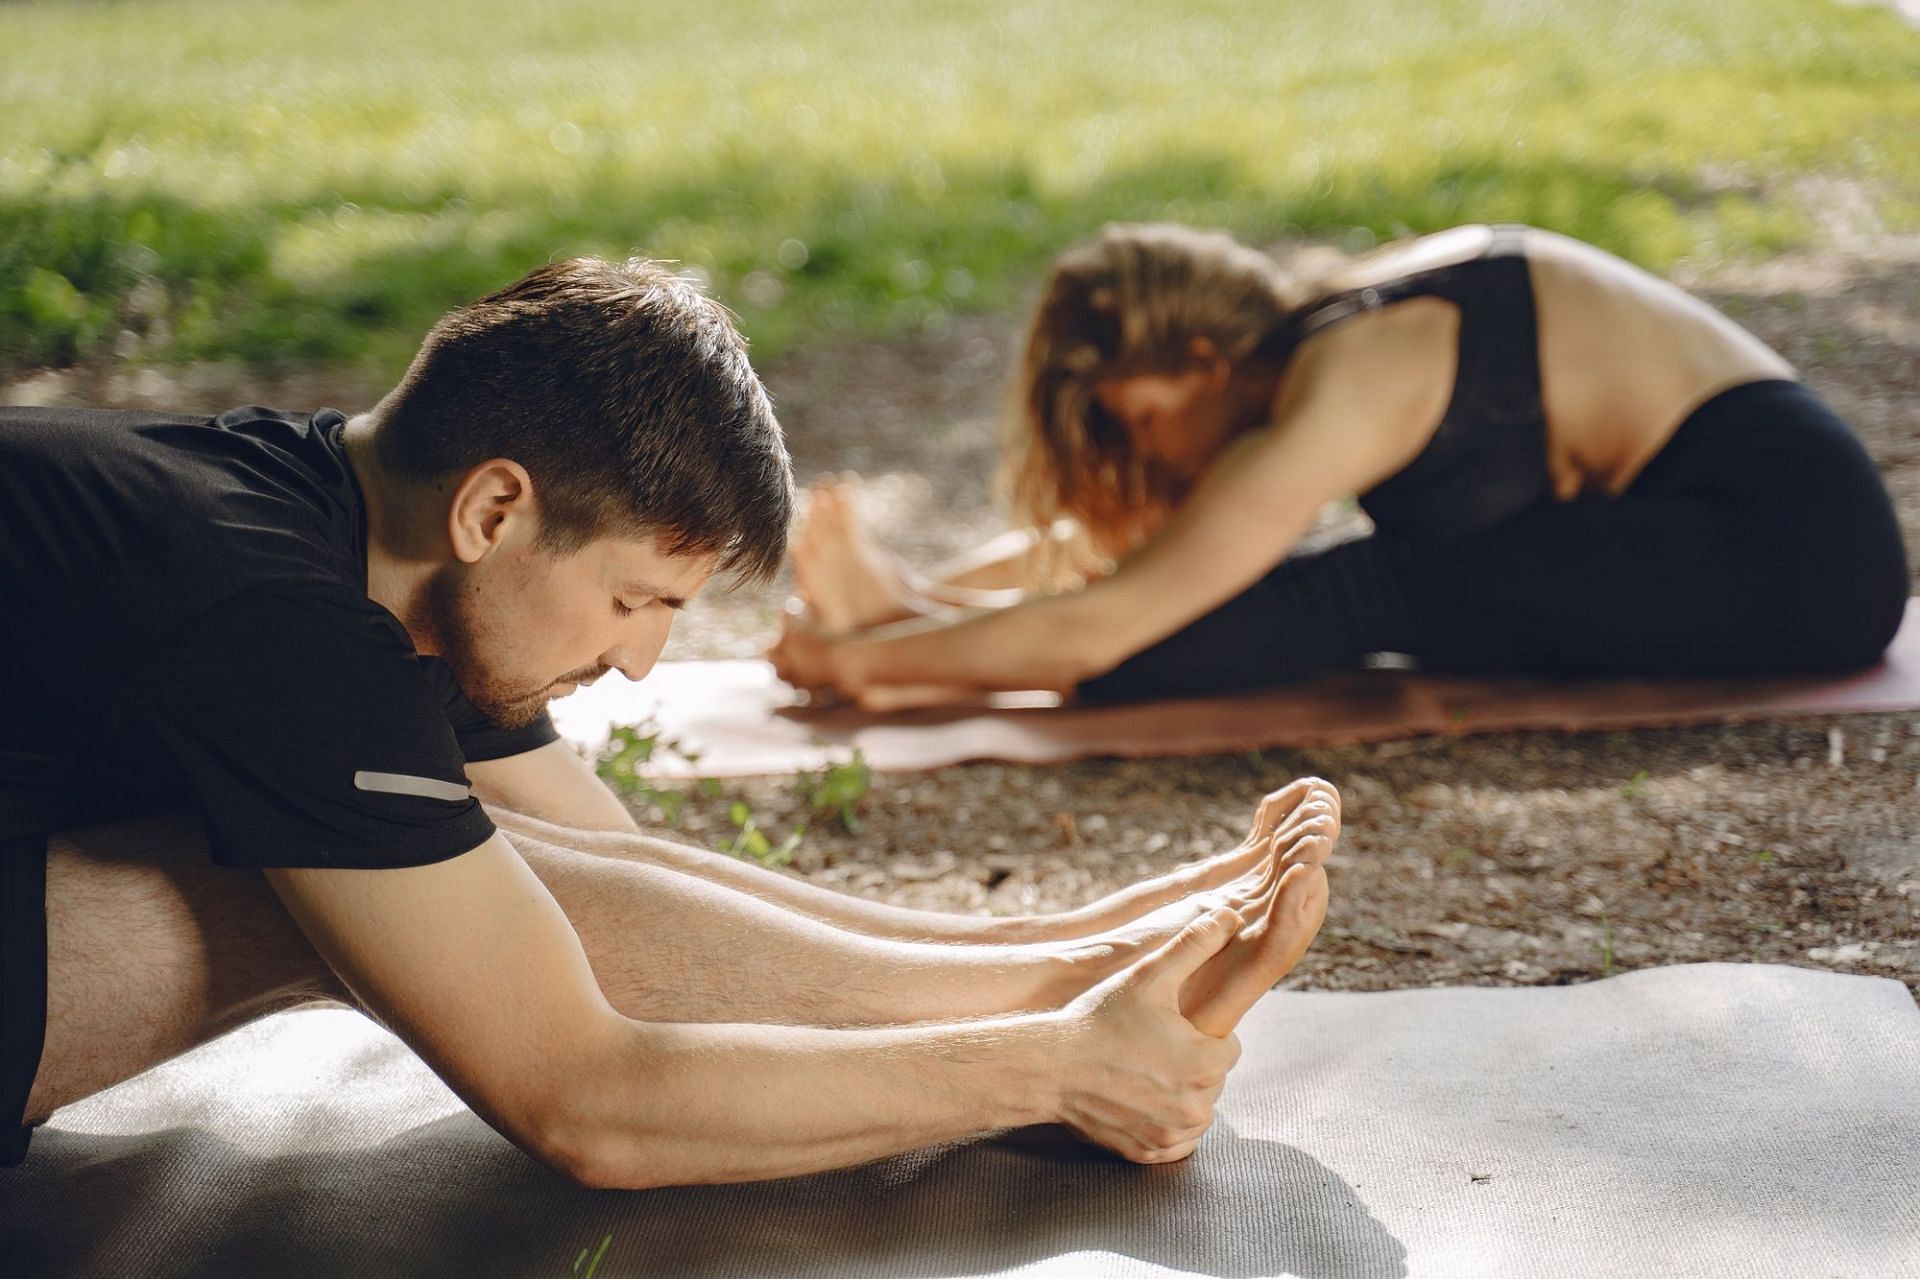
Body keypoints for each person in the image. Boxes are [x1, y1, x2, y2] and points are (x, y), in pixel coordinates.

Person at [0, 256, 1338, 1187]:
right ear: (495, 509)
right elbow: (588, 1098)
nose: (640, 664)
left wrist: (1047, 953)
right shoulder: (270, 608)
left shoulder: (355, 528)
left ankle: (1058, 967)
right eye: (636, 599)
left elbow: (616, 876)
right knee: (267, 891)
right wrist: (1048, 1066)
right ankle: (1070, 1008)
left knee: (494, 879)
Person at [770, 223, 1910, 707]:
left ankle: (891, 627)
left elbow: (1105, 620)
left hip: (1795, 558)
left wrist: (865, 665)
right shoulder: (1334, 336)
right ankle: (902, 612)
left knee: (1381, 586)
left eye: (1144, 419)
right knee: (1377, 577)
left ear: (1209, 364)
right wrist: (913, 612)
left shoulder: (1351, 380)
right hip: (1740, 532)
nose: (1144, 453)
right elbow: (1144, 563)